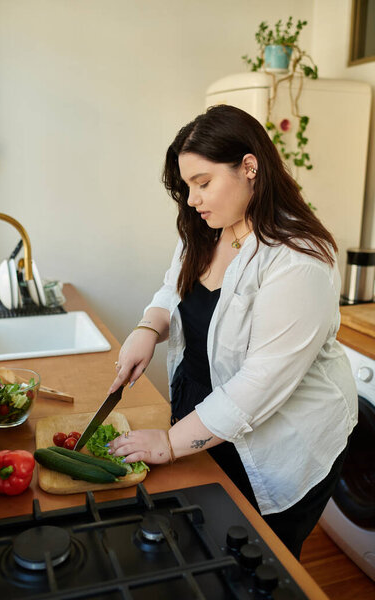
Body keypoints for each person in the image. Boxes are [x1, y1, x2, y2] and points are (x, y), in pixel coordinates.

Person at [107, 105, 358, 559]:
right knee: (202, 539)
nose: (192, 200)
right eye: (187, 187)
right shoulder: (205, 230)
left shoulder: (299, 259)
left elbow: (259, 386)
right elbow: (172, 289)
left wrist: (168, 442)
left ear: (249, 167)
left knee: (259, 562)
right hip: (205, 409)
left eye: (203, 183)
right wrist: (149, 326)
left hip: (280, 437)